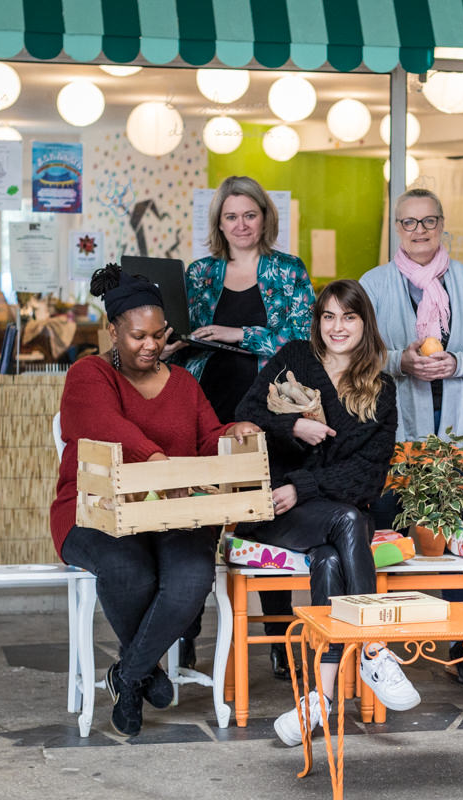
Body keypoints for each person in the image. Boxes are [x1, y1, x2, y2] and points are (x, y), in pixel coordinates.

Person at [228, 279, 420, 747]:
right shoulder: (295, 357)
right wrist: (293, 425)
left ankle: (320, 698)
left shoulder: (381, 388)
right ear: (317, 322)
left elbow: (370, 473)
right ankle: (374, 647)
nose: (338, 327)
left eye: (349, 317)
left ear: (364, 324)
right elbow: (246, 410)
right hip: (277, 511)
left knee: (333, 556)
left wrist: (304, 484)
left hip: (322, 507)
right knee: (351, 521)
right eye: (328, 316)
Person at [50, 264, 235, 737]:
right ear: (112, 331)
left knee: (191, 576)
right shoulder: (88, 374)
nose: (150, 345)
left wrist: (235, 434)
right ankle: (145, 670)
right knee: (130, 570)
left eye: (158, 335)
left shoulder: (184, 384)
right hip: (93, 512)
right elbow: (101, 426)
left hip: (173, 510)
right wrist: (153, 457)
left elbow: (209, 437)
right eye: (137, 336)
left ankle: (129, 675)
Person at [163, 175, 316, 679]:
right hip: (205, 408)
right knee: (195, 519)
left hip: (268, 411)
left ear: (265, 218)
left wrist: (239, 332)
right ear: (219, 222)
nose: (241, 224)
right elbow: (180, 331)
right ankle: (184, 634)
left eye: (250, 214)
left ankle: (276, 640)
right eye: (231, 216)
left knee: (263, 519)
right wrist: (171, 345)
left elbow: (301, 339)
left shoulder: (287, 269)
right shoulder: (201, 273)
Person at [360, 187, 463, 684]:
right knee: (393, 536)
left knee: (459, 537)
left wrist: (457, 362)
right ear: (396, 229)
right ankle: (386, 647)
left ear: (442, 225)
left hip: (460, 437)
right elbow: (351, 353)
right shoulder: (374, 284)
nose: (419, 230)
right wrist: (397, 361)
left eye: (428, 221)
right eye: (408, 222)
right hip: (394, 433)